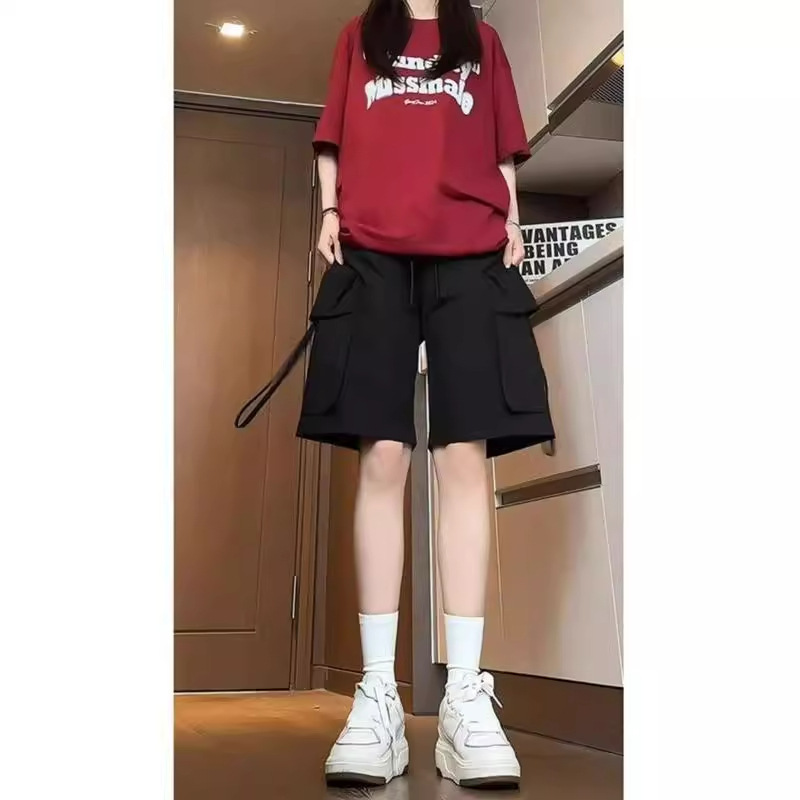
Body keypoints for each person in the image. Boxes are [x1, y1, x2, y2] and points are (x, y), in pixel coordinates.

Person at [297, 0, 554, 789]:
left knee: (465, 455)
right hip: (372, 249)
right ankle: (377, 693)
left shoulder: (484, 41)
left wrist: (513, 219)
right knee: (383, 453)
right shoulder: (358, 36)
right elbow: (333, 137)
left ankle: (465, 698)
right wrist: (330, 208)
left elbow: (503, 148)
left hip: (470, 252)